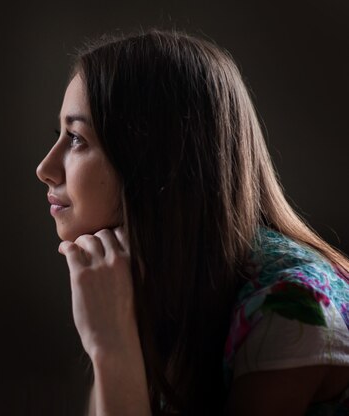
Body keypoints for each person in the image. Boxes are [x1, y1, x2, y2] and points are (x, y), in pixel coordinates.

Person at [35, 28, 349, 415]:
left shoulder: (290, 308)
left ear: (154, 160)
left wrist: (112, 348)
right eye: (59, 135)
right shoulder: (153, 278)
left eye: (76, 138)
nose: (45, 168)